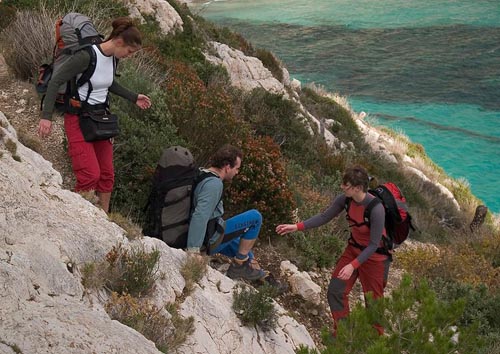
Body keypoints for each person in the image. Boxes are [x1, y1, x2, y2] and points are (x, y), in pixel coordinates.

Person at [37, 17, 151, 212]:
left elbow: (108, 82)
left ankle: (104, 219)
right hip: (78, 119)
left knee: (107, 175)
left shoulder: (113, 58)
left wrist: (134, 97)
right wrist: (46, 116)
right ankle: (78, 216)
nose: (129, 56)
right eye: (130, 52)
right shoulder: (86, 56)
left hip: (101, 119)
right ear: (119, 42)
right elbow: (56, 81)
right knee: (90, 175)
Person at [276, 166, 389, 336]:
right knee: (335, 291)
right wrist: (296, 227)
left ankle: (374, 344)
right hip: (353, 250)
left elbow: (373, 244)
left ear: (358, 188)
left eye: (347, 185)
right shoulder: (345, 199)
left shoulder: (376, 209)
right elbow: (324, 217)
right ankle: (344, 335)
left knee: (373, 304)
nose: (343, 187)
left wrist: (353, 266)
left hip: (375, 258)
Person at [187, 144, 266, 281]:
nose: (237, 172)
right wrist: (193, 251)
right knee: (255, 217)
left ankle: (253, 269)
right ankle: (238, 267)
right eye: (236, 168)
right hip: (208, 239)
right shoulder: (214, 184)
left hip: (207, 231)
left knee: (245, 248)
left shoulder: (202, 173)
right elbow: (200, 215)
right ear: (227, 167)